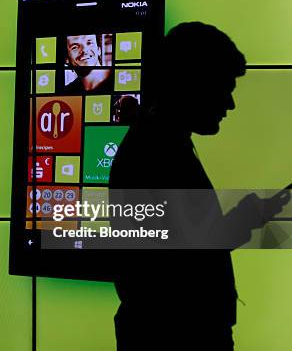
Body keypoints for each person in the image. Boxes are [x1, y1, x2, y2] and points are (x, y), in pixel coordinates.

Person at [108, 22, 289, 350]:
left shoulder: (153, 144)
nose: (230, 104)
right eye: (223, 88)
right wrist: (246, 217)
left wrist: (245, 217)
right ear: (192, 83)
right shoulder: (161, 154)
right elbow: (183, 266)